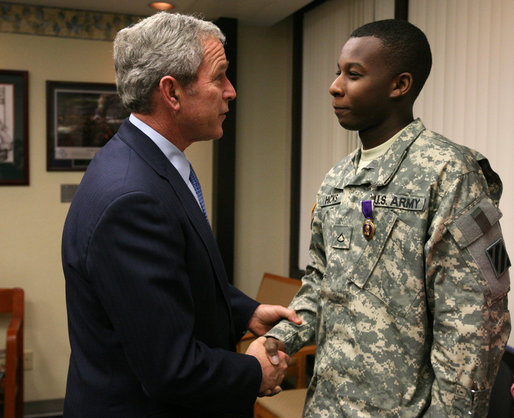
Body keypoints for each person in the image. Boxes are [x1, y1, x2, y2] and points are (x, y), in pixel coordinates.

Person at [265, 19, 511, 417]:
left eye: (354, 74)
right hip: (327, 407)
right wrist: (280, 340)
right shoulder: (338, 179)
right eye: (337, 71)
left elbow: (474, 324)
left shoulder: (450, 172)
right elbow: (319, 284)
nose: (335, 85)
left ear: (400, 85)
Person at [61, 12, 300, 417]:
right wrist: (254, 371)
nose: (231, 91)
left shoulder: (147, 163)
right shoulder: (133, 198)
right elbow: (170, 368)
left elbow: (175, 276)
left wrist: (246, 311)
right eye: (219, 76)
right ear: (171, 93)